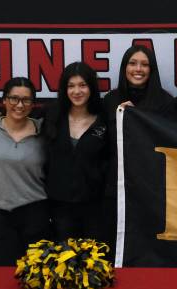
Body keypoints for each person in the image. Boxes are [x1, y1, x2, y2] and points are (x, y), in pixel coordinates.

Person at [101, 45, 174, 259]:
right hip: (117, 187)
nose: (138, 69)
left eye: (144, 64)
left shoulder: (166, 102)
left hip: (152, 188)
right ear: (125, 68)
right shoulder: (110, 100)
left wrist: (139, 118)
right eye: (132, 63)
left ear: (152, 70)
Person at [0, 77, 49, 265]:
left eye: (26, 100)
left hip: (35, 211)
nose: (19, 105)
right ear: (4, 100)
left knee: (35, 276)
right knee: (5, 277)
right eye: (13, 98)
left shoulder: (44, 131)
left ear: (33, 104)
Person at [43, 62, 109, 243]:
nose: (76, 91)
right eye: (71, 86)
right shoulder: (52, 114)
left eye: (82, 85)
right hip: (60, 207)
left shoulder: (105, 117)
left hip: (95, 207)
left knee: (95, 264)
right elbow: (24, 123)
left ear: (92, 88)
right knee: (66, 262)